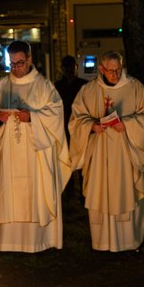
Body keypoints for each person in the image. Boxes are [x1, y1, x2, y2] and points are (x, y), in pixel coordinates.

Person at [0, 40, 71, 252]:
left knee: (35, 193)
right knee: (9, 194)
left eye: (20, 63)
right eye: (12, 64)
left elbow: (56, 114)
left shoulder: (44, 86)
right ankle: (9, 241)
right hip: (9, 154)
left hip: (35, 154)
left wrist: (33, 117)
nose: (16, 69)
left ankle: (40, 241)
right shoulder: (1, 86)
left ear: (29, 59)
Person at [68, 51, 144, 252]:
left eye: (118, 70)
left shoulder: (134, 87)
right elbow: (75, 120)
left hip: (125, 154)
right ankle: (102, 242)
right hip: (99, 154)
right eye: (111, 71)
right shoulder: (89, 90)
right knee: (100, 192)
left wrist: (127, 124)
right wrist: (91, 126)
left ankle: (128, 241)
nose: (116, 74)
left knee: (125, 192)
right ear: (101, 69)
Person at [54, 55, 87, 199]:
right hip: (63, 126)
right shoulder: (57, 86)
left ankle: (83, 193)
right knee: (66, 159)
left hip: (80, 126)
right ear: (62, 69)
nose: (69, 71)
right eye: (67, 68)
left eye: (72, 68)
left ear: (76, 68)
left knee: (81, 159)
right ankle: (68, 192)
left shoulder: (83, 85)